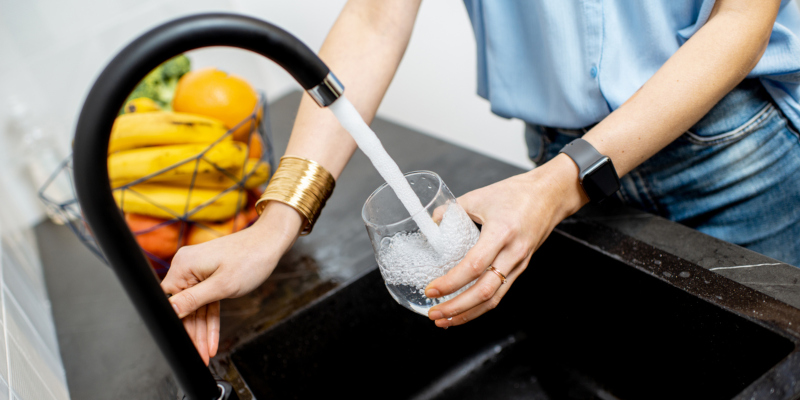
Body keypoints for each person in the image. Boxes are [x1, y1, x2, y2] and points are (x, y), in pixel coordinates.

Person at [160, 0, 800, 364]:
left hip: (729, 156)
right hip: (552, 166)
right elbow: (377, 18)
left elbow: (742, 18)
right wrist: (276, 222)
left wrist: (560, 185)